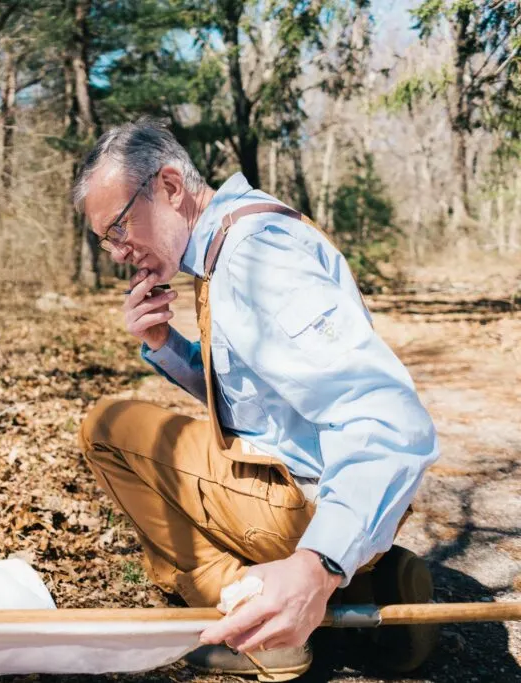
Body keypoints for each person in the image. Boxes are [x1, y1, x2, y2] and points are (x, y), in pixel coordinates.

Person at [72, 119, 440, 680]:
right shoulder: (238, 237)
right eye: (107, 239)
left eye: (119, 228)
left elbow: (385, 415)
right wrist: (164, 344)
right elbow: (254, 399)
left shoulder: (253, 258)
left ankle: (257, 624)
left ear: (170, 187)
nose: (118, 252)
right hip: (329, 496)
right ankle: (365, 587)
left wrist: (316, 566)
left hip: (312, 499)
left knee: (106, 426)